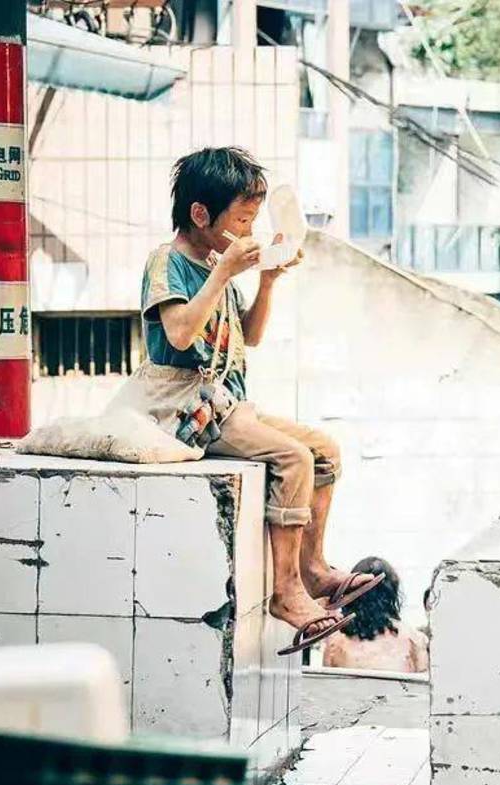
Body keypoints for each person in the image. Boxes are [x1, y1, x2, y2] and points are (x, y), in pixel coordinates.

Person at [112, 147, 378, 653]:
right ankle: (287, 592)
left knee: (324, 450)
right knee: (294, 458)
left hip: (226, 403)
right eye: (242, 220)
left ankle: (313, 568)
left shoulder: (218, 264)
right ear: (200, 214)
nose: (249, 231)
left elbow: (249, 336)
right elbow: (181, 333)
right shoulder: (168, 262)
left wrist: (268, 280)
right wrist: (224, 274)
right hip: (182, 406)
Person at [322, 557, 428, 674]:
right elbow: (425, 680)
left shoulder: (334, 642)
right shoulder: (414, 639)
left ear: (351, 592)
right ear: (391, 594)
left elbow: (325, 682)